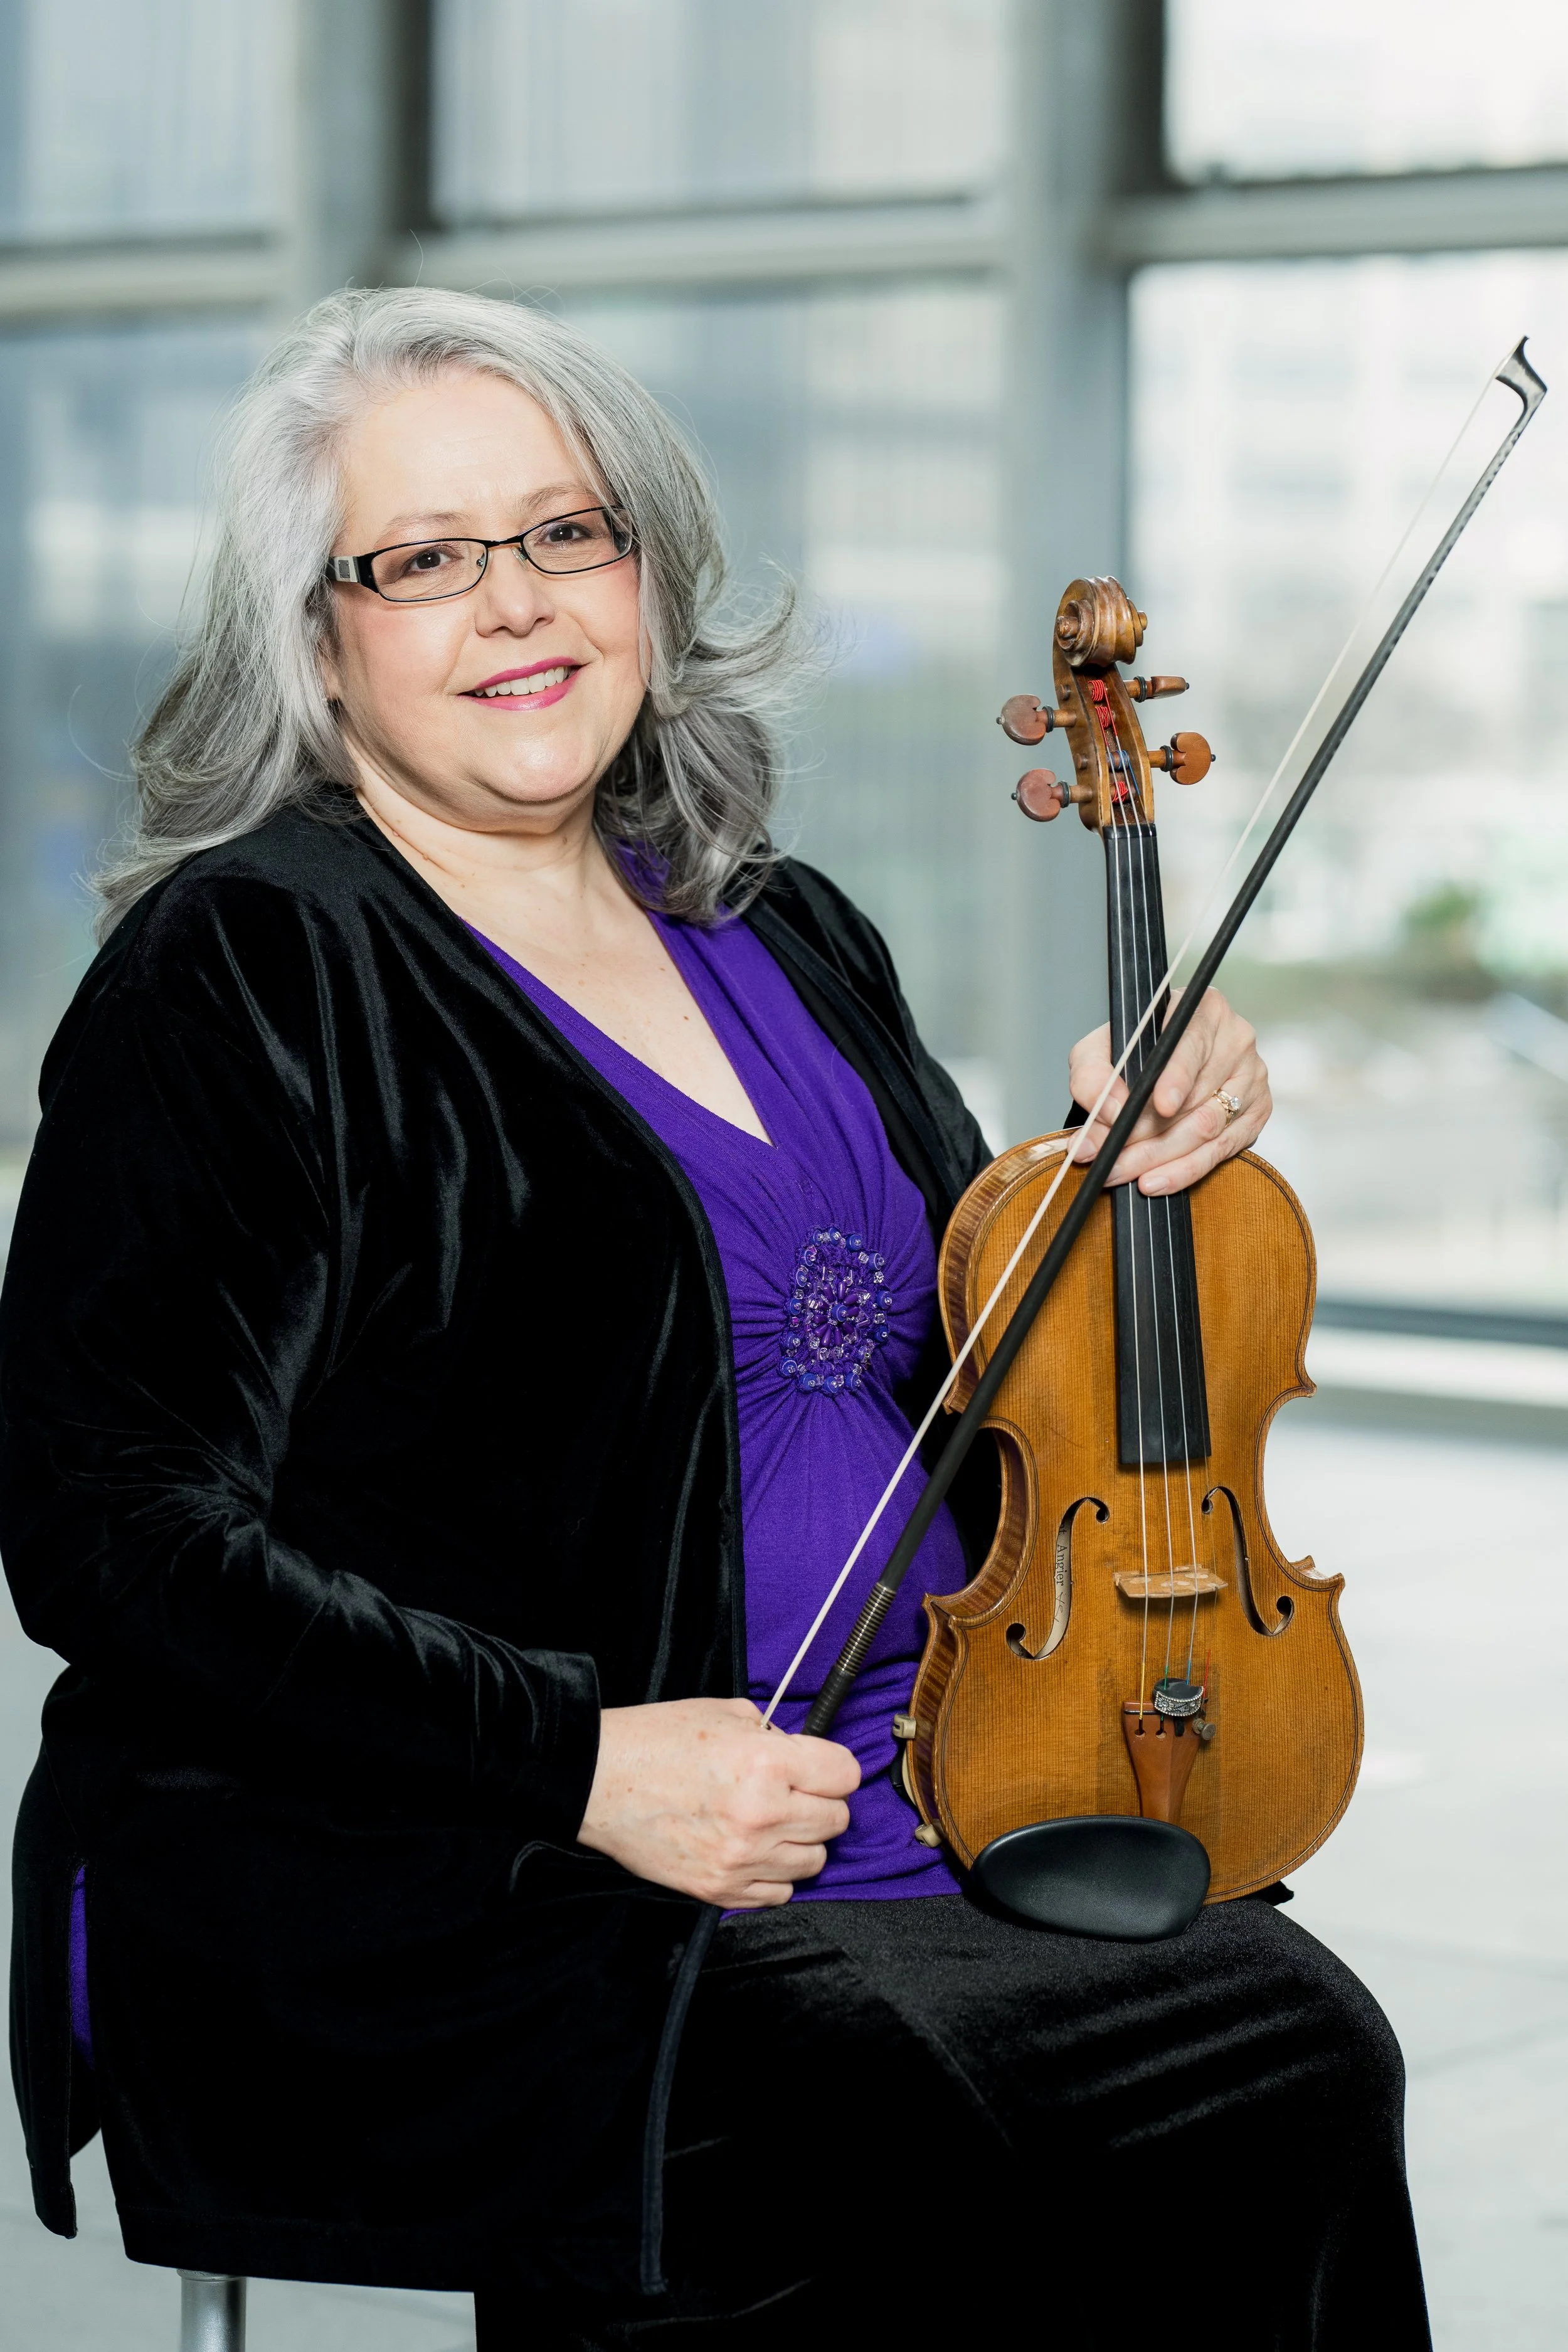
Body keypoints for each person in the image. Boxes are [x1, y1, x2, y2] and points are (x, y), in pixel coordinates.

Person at [0, 287, 1428, 2349]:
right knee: (895, 2105)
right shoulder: (245, 973)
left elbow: (965, 1359)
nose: (515, 603)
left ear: (648, 571)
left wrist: (1124, 1164)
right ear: (319, 643)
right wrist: (577, 1762)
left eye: (568, 533)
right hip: (532, 1861)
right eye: (423, 558)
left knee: (1293, 2038)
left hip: (954, 1785)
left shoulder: (775, 913)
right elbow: (105, 1528)